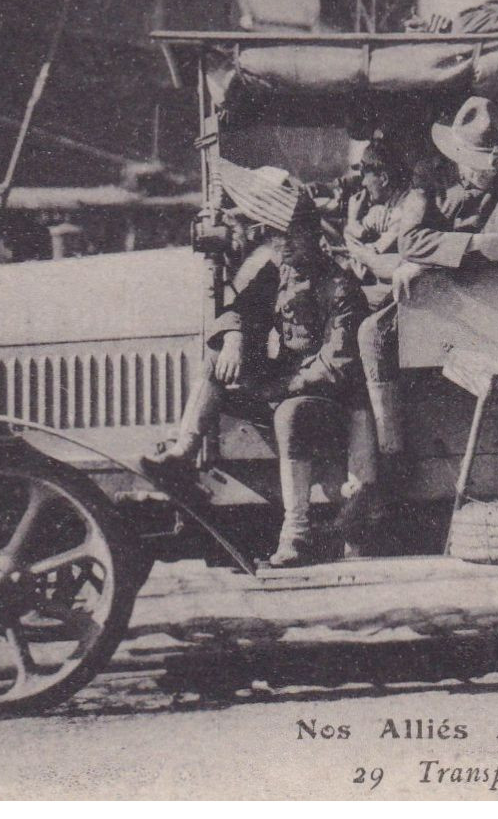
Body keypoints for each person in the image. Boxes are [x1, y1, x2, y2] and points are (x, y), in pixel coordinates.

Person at [141, 166, 361, 568]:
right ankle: (183, 453)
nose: (287, 249)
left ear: (312, 238)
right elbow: (241, 310)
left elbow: (338, 364)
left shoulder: (337, 284)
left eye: (293, 240)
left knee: (292, 414)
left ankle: (296, 534)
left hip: (324, 399)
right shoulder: (277, 273)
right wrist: (235, 339)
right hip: (286, 381)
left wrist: (285, 386)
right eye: (282, 241)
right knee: (216, 359)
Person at [334, 131, 429, 543]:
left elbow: (389, 256)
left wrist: (362, 250)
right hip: (390, 292)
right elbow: (362, 238)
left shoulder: (412, 203)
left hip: (418, 298)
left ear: (384, 176)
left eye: (366, 173)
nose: (362, 181)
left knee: (370, 333)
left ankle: (393, 453)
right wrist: (353, 224)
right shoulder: (382, 204)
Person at [400, 97, 498, 273]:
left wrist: (426, 260)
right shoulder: (428, 175)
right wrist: (475, 242)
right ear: (457, 155)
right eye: (475, 163)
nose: (485, 173)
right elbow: (409, 242)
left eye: (490, 167)